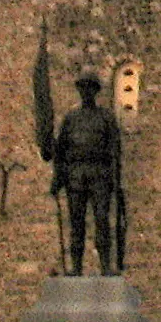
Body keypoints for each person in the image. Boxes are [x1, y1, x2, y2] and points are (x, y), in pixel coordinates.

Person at [51, 72, 121, 273]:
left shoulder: (106, 117)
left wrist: (115, 179)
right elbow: (61, 150)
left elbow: (115, 149)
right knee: (76, 222)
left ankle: (106, 266)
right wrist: (58, 179)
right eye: (82, 88)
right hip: (76, 174)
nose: (86, 92)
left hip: (99, 173)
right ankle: (76, 267)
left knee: (101, 220)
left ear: (95, 91)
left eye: (90, 88)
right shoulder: (71, 118)